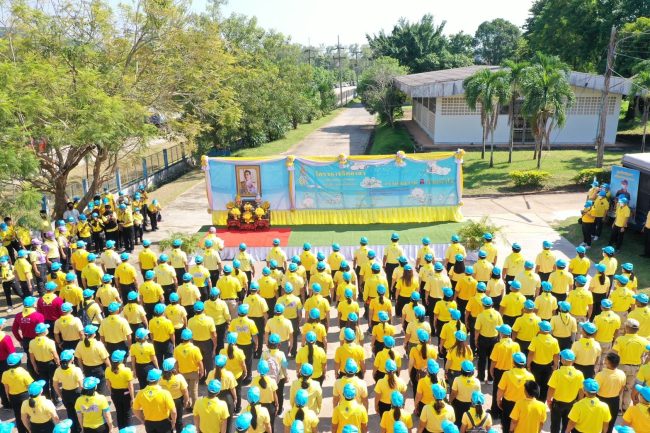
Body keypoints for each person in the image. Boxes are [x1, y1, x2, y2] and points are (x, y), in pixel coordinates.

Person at [614, 319, 650, 412]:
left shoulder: (620, 339)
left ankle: (618, 408)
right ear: (638, 329)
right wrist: (645, 363)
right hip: (636, 368)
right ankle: (625, 407)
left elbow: (614, 354)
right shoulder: (644, 341)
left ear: (626, 328)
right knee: (629, 388)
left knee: (619, 387)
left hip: (622, 367)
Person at [547, 349, 585, 433]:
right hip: (571, 404)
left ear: (563, 360)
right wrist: (579, 401)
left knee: (555, 426)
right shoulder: (579, 374)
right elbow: (581, 390)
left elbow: (551, 388)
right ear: (573, 360)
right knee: (566, 425)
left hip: (557, 404)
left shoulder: (557, 373)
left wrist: (549, 400)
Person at [496, 352, 534, 433]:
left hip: (508, 404)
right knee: (520, 425)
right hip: (523, 404)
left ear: (513, 362)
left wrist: (498, 400)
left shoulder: (507, 374)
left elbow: (500, 390)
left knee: (506, 424)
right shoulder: (530, 376)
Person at [133, 368, 177, 433]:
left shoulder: (140, 393)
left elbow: (135, 409)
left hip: (149, 423)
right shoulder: (165, 393)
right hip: (164, 423)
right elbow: (173, 411)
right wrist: (173, 422)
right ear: (159, 379)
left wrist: (142, 420)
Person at [527, 320, 560, 400]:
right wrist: (555, 365)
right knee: (545, 385)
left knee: (536, 384)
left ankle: (535, 400)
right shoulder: (554, 341)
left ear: (541, 329)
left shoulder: (536, 339)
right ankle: (542, 401)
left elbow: (531, 353)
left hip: (536, 366)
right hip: (548, 366)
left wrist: (528, 365)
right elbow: (556, 355)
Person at [52, 350, 83, 433]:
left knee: (70, 414)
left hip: (66, 393)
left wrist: (60, 395)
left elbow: (55, 385)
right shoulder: (76, 370)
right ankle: (81, 428)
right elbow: (81, 385)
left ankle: (73, 430)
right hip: (76, 393)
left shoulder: (58, 370)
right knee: (79, 413)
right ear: (71, 359)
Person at [2, 353, 33, 433]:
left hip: (13, 397)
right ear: (19, 362)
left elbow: (6, 387)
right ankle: (29, 430)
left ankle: (21, 431)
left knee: (18, 415)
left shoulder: (5, 374)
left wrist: (8, 397)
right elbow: (30, 385)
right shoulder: (23, 372)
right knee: (27, 415)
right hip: (25, 396)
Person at [596, 352, 627, 433]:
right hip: (615, 401)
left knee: (598, 423)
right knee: (610, 423)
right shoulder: (622, 374)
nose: (604, 360)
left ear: (609, 363)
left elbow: (595, 389)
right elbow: (622, 388)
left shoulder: (600, 375)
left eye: (606, 359)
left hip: (601, 401)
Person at [28, 322, 60, 402]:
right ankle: (55, 400)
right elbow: (55, 356)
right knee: (53, 382)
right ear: (44, 332)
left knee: (44, 382)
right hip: (50, 364)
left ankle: (47, 398)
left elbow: (31, 356)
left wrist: (35, 366)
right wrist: (58, 364)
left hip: (40, 364)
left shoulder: (32, 342)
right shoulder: (50, 342)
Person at [74, 324, 109, 394]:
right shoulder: (98, 344)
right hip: (99, 369)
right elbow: (105, 359)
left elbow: (79, 359)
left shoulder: (79, 344)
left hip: (87, 369)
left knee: (90, 388)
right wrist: (110, 368)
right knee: (100, 390)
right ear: (94, 334)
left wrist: (82, 369)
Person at [206, 354, 237, 432]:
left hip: (215, 396)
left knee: (216, 419)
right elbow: (232, 388)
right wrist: (235, 398)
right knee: (228, 420)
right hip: (227, 397)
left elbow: (208, 385)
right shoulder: (229, 374)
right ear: (225, 364)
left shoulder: (211, 373)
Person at [105, 349, 134, 430]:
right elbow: (130, 386)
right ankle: (129, 430)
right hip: (125, 393)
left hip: (115, 393)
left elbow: (108, 384)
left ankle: (121, 430)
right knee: (127, 413)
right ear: (121, 360)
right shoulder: (126, 370)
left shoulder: (107, 370)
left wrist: (112, 393)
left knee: (119, 412)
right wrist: (132, 398)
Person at [173, 328, 203, 406]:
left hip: (182, 373)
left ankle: (187, 404)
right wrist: (201, 372)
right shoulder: (195, 349)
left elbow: (176, 362)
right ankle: (194, 407)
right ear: (191, 338)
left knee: (185, 390)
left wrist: (177, 372)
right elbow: (200, 362)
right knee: (194, 391)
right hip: (193, 373)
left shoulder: (177, 349)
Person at [160, 358, 190, 433]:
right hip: (177, 402)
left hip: (164, 402)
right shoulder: (179, 377)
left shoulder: (160, 379)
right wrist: (186, 400)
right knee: (178, 420)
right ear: (173, 367)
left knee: (168, 420)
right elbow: (185, 391)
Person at [251, 360, 279, 432]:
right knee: (270, 425)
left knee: (260, 425)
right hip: (270, 407)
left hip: (258, 406)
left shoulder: (254, 381)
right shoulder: (272, 381)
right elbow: (275, 395)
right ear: (268, 369)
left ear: (258, 370)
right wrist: (277, 405)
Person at [449, 361, 480, 427]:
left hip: (458, 404)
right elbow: (478, 396)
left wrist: (450, 401)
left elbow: (454, 393)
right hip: (471, 405)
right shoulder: (477, 381)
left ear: (462, 370)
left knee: (458, 421)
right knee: (468, 422)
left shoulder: (457, 379)